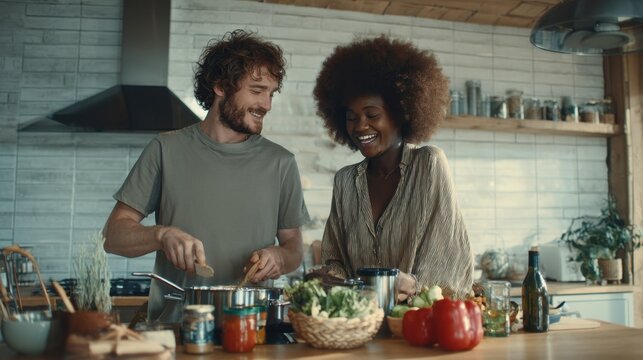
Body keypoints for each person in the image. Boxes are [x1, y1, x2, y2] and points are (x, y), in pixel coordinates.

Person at [103, 29, 310, 323]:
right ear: (221, 86)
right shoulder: (166, 149)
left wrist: (278, 257)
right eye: (256, 90)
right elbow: (113, 236)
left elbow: (294, 250)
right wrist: (160, 235)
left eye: (271, 93)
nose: (267, 104)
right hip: (175, 329)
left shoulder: (281, 162)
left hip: (252, 330)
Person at [312, 35, 473, 300]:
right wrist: (328, 279)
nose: (360, 126)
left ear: (401, 112)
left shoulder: (428, 164)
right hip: (360, 327)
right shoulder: (345, 181)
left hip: (416, 325)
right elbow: (336, 260)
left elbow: (449, 260)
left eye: (372, 115)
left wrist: (411, 285)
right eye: (351, 118)